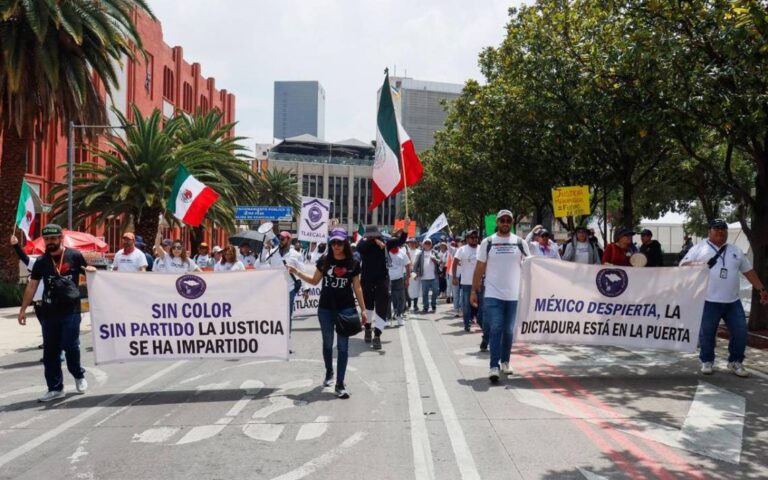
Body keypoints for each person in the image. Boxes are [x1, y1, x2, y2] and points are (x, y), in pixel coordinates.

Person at [680, 219, 768, 377]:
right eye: (717, 228)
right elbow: (682, 266)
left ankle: (735, 361)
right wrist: (699, 263)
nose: (721, 231)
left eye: (724, 229)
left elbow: (749, 272)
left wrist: (761, 288)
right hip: (708, 300)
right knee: (707, 333)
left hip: (732, 301)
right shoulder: (699, 248)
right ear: (709, 231)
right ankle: (707, 361)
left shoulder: (736, 250)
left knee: (740, 332)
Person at [288, 228, 367, 399]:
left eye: (339, 242)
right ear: (330, 243)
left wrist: (363, 309)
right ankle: (329, 372)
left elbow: (357, 286)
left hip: (346, 308)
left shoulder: (353, 262)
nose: (336, 246)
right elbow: (315, 280)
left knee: (343, 347)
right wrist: (297, 272)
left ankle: (340, 384)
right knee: (327, 344)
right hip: (325, 308)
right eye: (333, 243)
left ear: (345, 243)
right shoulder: (324, 260)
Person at [17, 224, 91, 402]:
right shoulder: (42, 262)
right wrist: (23, 309)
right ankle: (55, 388)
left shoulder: (74, 256)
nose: (49, 242)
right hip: (49, 312)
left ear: (61, 238)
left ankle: (78, 375)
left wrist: (92, 272)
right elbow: (32, 285)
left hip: (71, 310)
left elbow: (89, 275)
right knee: (50, 351)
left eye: (53, 238)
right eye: (47, 239)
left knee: (70, 346)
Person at [471, 210, 530, 383]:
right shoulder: (487, 242)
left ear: (511, 223)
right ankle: (493, 366)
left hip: (514, 295)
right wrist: (474, 290)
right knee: (496, 327)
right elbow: (480, 267)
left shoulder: (519, 243)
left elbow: (531, 265)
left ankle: (505, 362)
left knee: (509, 330)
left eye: (508, 220)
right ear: (497, 222)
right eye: (502, 220)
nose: (505, 223)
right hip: (492, 294)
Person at [356, 221, 409, 349]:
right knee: (368, 308)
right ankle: (368, 328)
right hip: (367, 280)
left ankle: (377, 335)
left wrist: (405, 229)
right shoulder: (363, 243)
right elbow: (360, 248)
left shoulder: (385, 242)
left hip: (382, 280)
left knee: (382, 308)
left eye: (374, 236)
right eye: (370, 236)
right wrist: (374, 241)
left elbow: (400, 241)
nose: (371, 237)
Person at [259, 231, 304, 337]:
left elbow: (302, 271)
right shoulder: (273, 252)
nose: (280, 241)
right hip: (276, 289)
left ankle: (287, 340)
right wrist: (265, 248)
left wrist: (305, 289)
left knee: (287, 315)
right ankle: (278, 338)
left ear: (289, 240)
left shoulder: (296, 255)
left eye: (283, 239)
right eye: (279, 238)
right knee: (276, 314)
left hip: (290, 288)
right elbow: (261, 262)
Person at [454, 230, 484, 336]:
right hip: (466, 282)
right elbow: (455, 262)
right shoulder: (461, 250)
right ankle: (467, 323)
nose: (474, 239)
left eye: (476, 237)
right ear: (467, 239)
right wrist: (455, 277)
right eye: (472, 237)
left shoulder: (482, 248)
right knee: (466, 306)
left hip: (480, 282)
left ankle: (481, 322)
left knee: (481, 305)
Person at [414, 238, 440, 313]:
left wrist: (436, 260)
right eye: (426, 243)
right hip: (424, 277)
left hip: (434, 276)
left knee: (435, 291)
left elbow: (440, 262)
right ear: (423, 245)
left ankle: (433, 304)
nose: (427, 244)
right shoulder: (420, 254)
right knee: (425, 293)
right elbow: (415, 266)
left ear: (431, 244)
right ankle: (426, 307)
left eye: (429, 243)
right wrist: (413, 276)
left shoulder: (435, 252)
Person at [387, 244, 410, 326]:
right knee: (388, 299)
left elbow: (408, 265)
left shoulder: (402, 253)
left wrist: (407, 279)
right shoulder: (386, 253)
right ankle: (388, 318)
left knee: (401, 298)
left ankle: (399, 315)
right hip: (388, 279)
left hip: (399, 278)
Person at [406, 237, 421, 312]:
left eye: (413, 243)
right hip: (407, 271)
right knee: (408, 288)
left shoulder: (419, 252)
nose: (411, 244)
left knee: (415, 288)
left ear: (416, 244)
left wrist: (417, 272)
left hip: (415, 272)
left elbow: (420, 264)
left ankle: (415, 305)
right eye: (410, 242)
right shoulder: (406, 251)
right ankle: (408, 304)